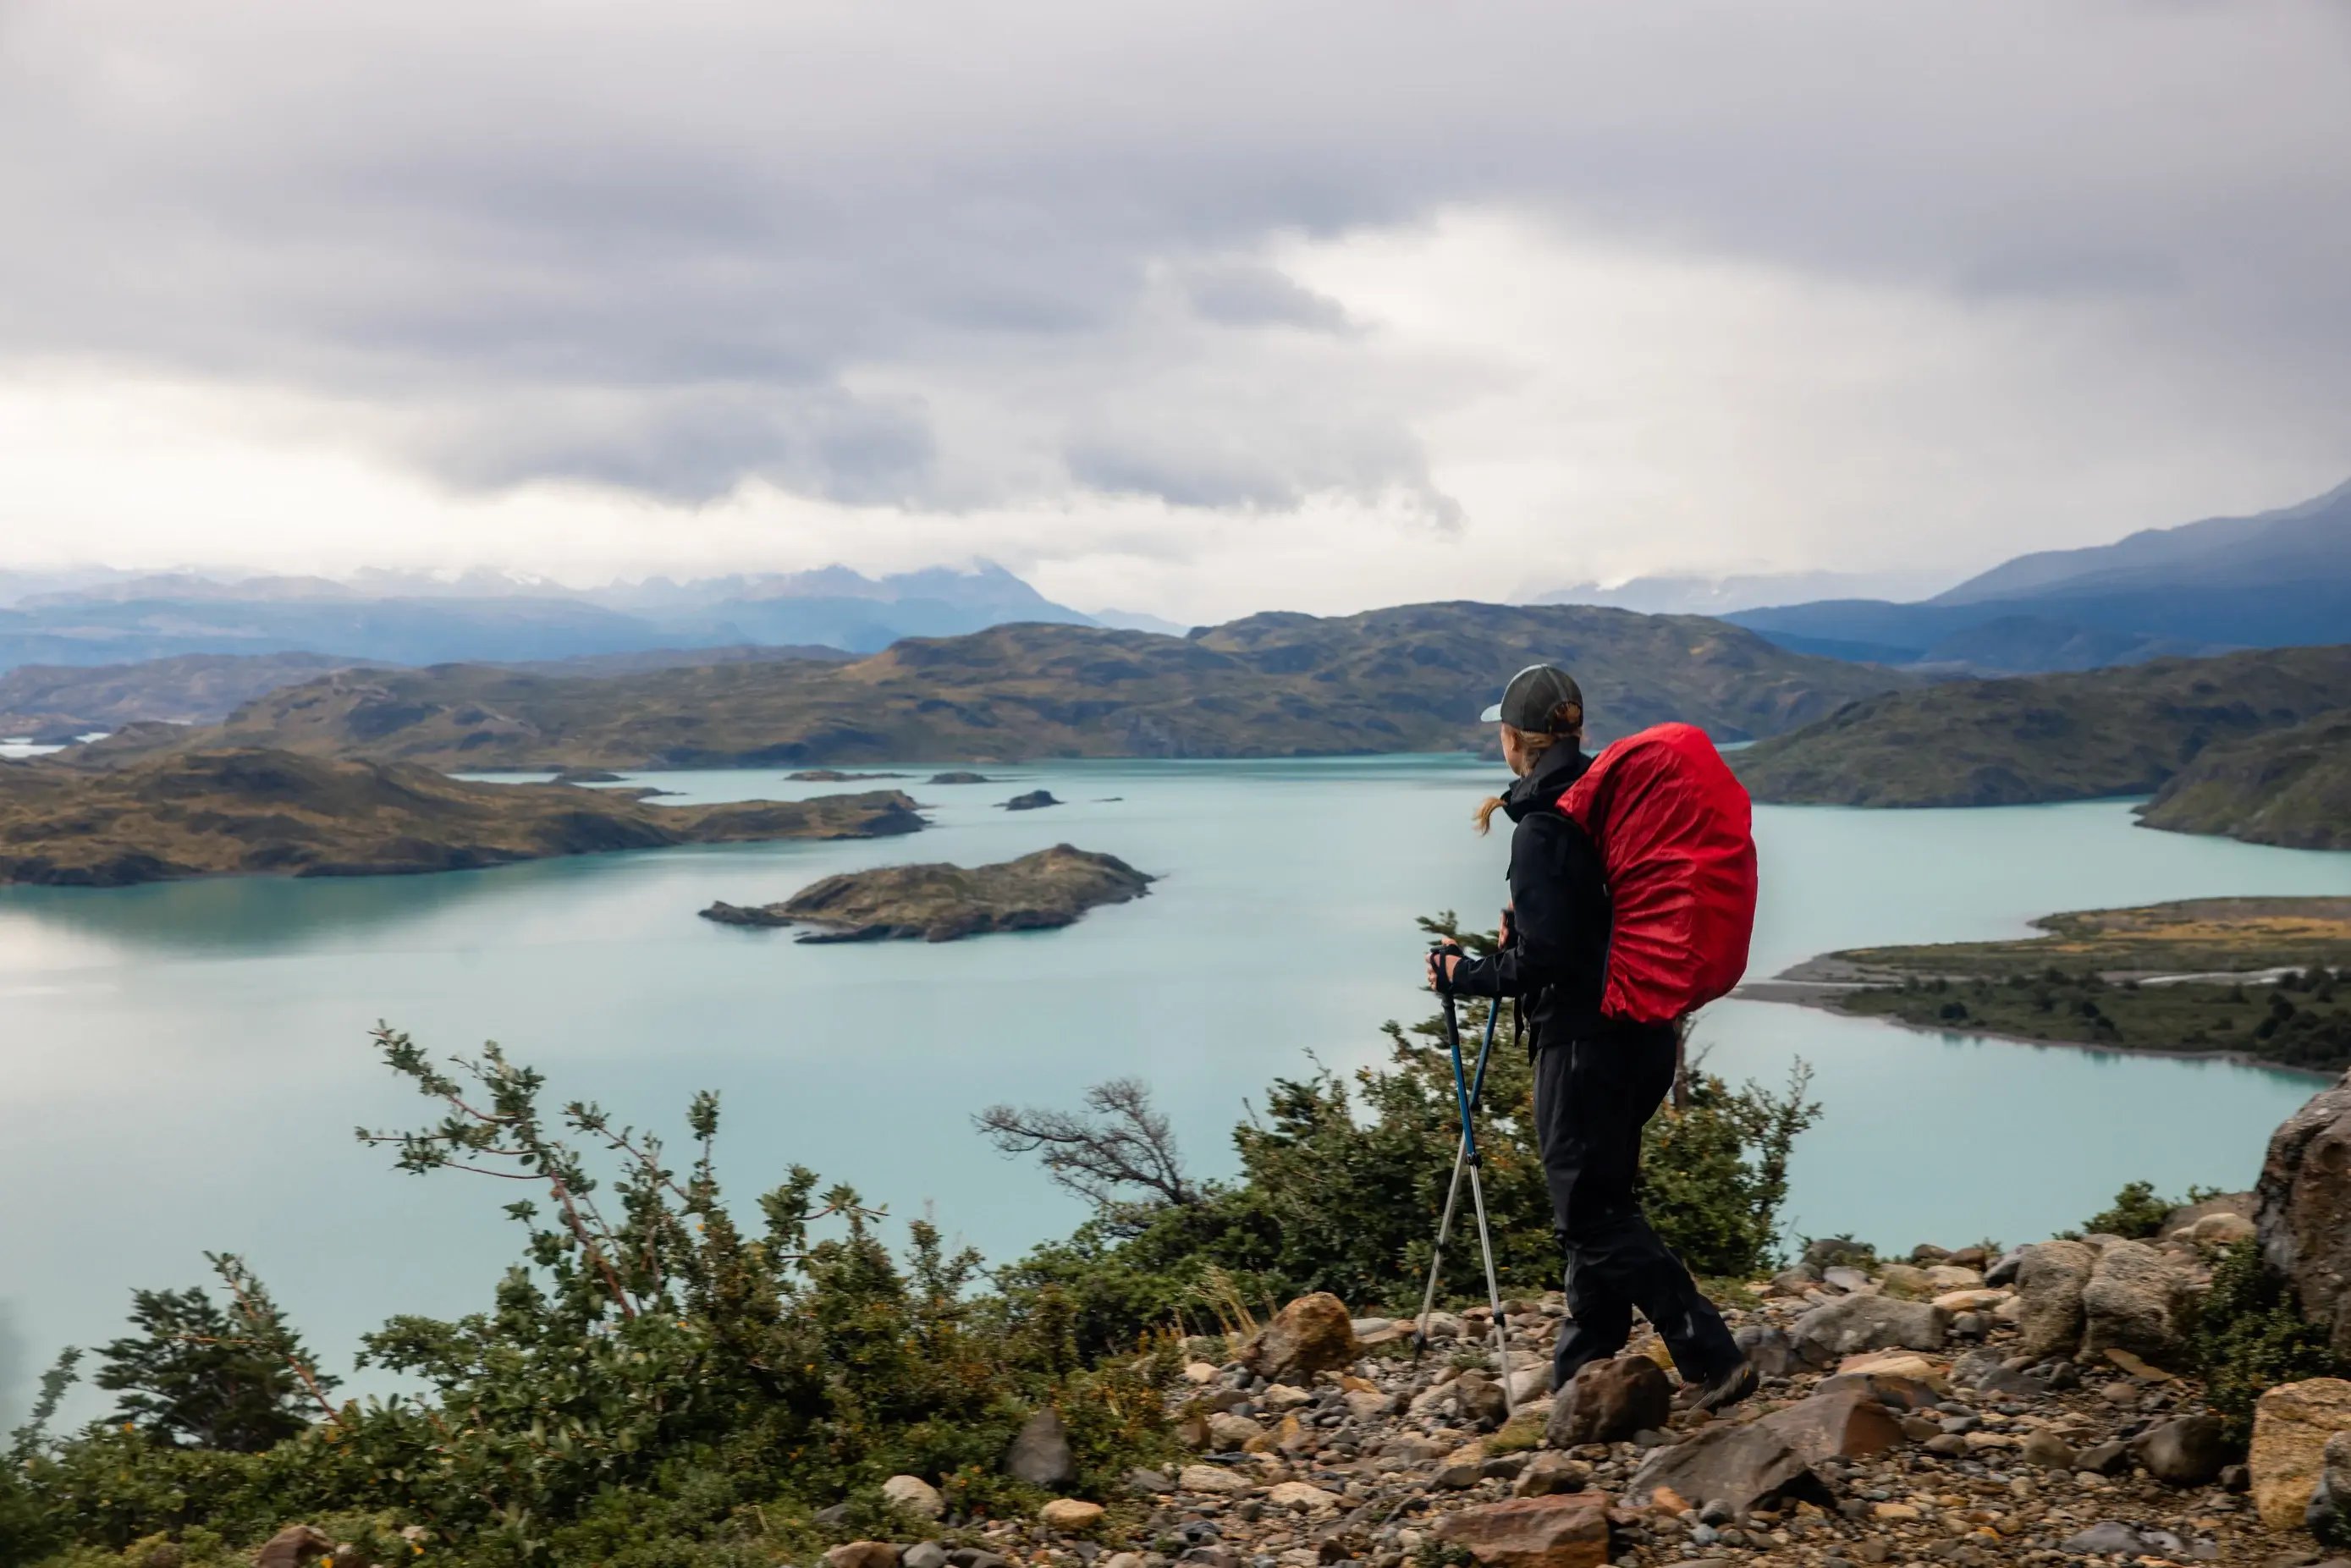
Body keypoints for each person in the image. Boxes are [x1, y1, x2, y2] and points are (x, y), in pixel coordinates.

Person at [1424, 663, 1757, 1413]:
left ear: (1517, 739)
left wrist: (1460, 971)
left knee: (1594, 1215)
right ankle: (1585, 1369)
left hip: (1583, 1046)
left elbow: (1545, 962)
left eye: (1501, 732)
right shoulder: (1593, 805)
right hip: (1640, 1036)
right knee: (1597, 1205)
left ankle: (1713, 1355)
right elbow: (1584, 928)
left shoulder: (1543, 827)